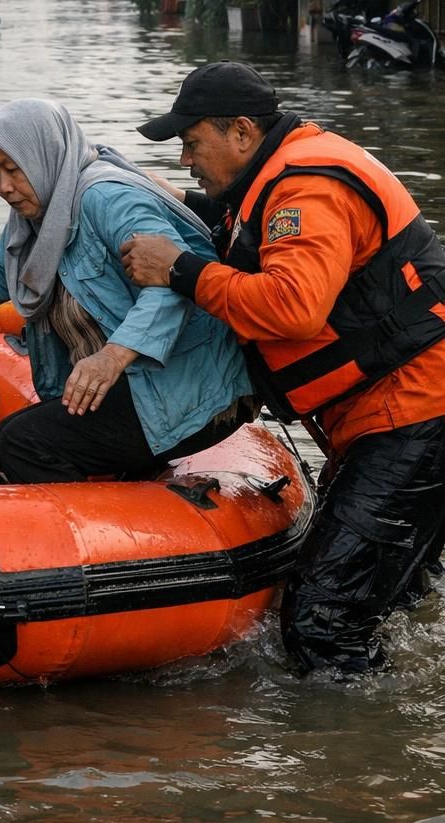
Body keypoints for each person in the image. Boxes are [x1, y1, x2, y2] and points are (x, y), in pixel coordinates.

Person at [121, 61, 445, 675]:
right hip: (396, 407)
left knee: (320, 624)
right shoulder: (282, 175)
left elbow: (295, 308)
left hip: (415, 412)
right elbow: (250, 235)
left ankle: (358, 735)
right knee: (391, 597)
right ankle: (398, 702)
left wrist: (179, 270)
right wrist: (173, 202)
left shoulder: (307, 189)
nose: (186, 160)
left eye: (192, 143)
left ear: (243, 132)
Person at [0, 99, 253, 486]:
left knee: (20, 442)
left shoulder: (107, 198)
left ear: (43, 156)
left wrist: (112, 357)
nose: (4, 187)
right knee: (20, 432)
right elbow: (1, 264)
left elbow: (172, 283)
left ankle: (96, 522)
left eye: (13, 169)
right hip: (139, 385)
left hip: (190, 388)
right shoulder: (42, 212)